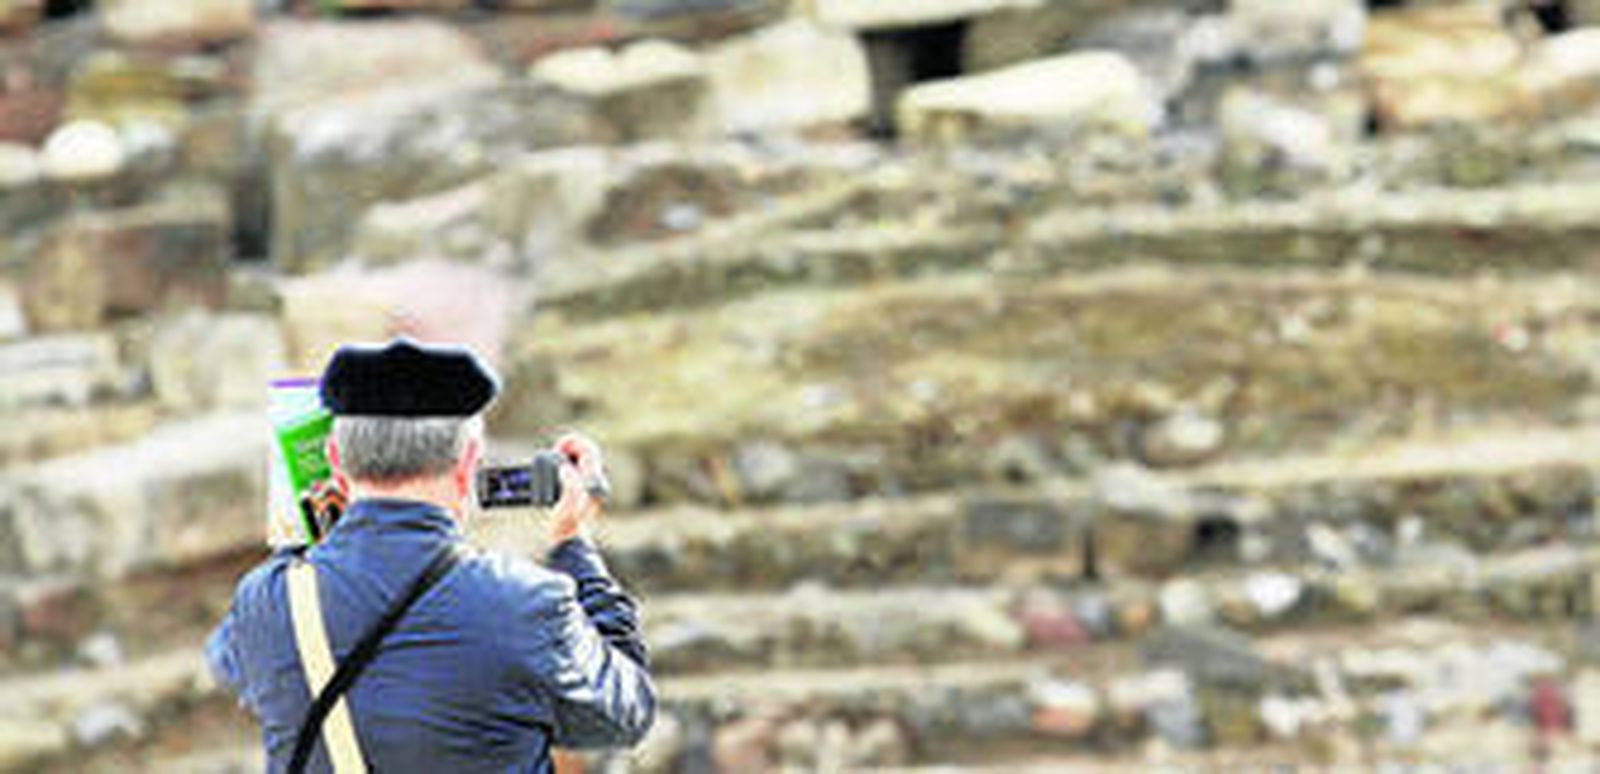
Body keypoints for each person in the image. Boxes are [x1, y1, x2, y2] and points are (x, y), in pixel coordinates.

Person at [207, 338, 655, 773]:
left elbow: (229, 667)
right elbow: (628, 712)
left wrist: (303, 532)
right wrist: (573, 545)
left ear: (334, 461)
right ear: (469, 462)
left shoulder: (265, 602)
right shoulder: (527, 604)